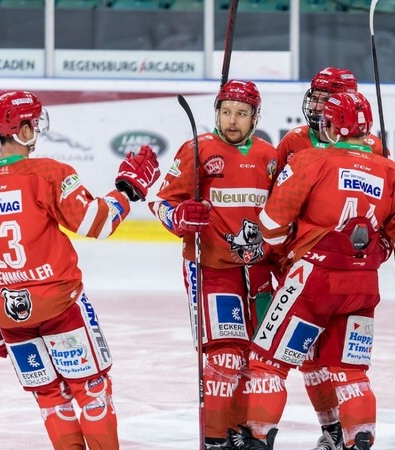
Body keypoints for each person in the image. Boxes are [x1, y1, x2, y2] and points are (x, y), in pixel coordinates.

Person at [0, 90, 160, 449]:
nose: (37, 128)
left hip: (10, 314)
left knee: (50, 397)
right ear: (20, 130)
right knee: (91, 389)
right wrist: (127, 191)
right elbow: (95, 223)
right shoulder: (48, 173)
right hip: (60, 306)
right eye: (33, 123)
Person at [227, 92, 395, 450]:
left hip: (311, 282)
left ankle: (257, 440)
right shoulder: (392, 172)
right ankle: (358, 441)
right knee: (351, 373)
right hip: (362, 286)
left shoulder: (311, 160)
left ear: (333, 126)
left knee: (268, 362)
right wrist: (380, 244)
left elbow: (272, 227)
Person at [148, 80, 277, 449]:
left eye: (241, 113)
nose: (232, 120)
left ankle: (240, 430)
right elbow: (162, 202)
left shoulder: (270, 157)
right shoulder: (198, 150)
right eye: (225, 112)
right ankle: (216, 436)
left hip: (258, 271)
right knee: (223, 355)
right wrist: (178, 218)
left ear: (255, 117)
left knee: (255, 356)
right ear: (216, 113)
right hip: (210, 267)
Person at [273, 66, 386, 450]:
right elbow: (273, 203)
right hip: (300, 268)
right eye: (315, 95)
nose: (317, 104)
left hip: (339, 273)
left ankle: (345, 432)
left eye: (327, 97)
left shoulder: (373, 148)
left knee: (337, 360)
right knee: (308, 358)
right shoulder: (294, 141)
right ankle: (333, 430)